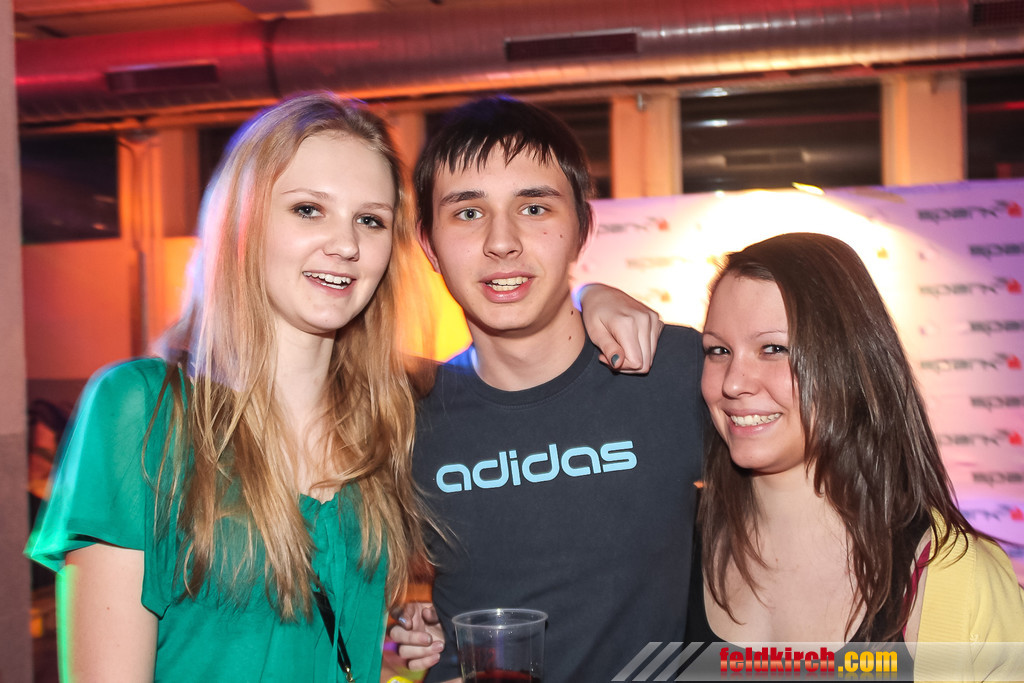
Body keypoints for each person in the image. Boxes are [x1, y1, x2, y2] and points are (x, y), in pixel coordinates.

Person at [26, 92, 435, 682]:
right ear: (242, 223)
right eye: (308, 209)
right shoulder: (144, 411)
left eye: (370, 220)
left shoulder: (381, 426)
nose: (346, 244)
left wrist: (389, 642)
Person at [391, 96, 706, 682]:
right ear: (428, 244)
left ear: (581, 227)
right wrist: (404, 623)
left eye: (534, 207)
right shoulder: (405, 415)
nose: (502, 241)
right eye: (467, 213)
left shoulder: (672, 370)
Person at [691, 232, 1024, 678]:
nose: (733, 382)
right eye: (718, 350)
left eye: (773, 349)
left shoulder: (955, 577)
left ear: (849, 361)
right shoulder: (672, 546)